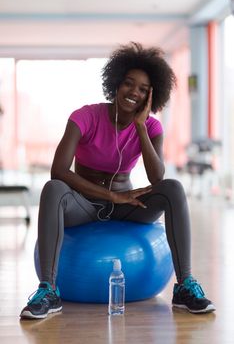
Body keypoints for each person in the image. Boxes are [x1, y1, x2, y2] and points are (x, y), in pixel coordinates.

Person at [20, 42, 215, 319]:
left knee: (173, 187)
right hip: (84, 205)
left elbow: (157, 177)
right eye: (128, 83)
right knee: (53, 189)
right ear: (115, 84)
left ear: (152, 96)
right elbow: (59, 170)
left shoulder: (151, 127)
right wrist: (111, 196)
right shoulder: (85, 117)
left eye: (144, 89)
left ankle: (184, 286)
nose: (134, 92)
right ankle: (49, 290)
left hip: (128, 206)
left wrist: (140, 127)